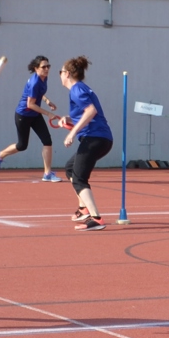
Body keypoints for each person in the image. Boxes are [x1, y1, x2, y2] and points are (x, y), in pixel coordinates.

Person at [59, 55, 114, 229]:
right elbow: (85, 114)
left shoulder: (76, 89)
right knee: (70, 168)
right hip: (100, 138)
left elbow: (91, 111)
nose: (60, 75)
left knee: (79, 179)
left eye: (60, 72)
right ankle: (84, 209)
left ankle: (96, 219)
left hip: (95, 138)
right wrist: (69, 119)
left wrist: (72, 133)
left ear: (67, 74)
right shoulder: (80, 89)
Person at [0, 55, 60, 181]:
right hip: (23, 115)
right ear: (36, 68)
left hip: (35, 114)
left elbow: (39, 93)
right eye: (44, 67)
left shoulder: (43, 78)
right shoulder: (35, 82)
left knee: (47, 141)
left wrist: (47, 101)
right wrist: (48, 113)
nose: (47, 69)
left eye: (48, 66)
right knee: (22, 145)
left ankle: (47, 174)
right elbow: (30, 104)